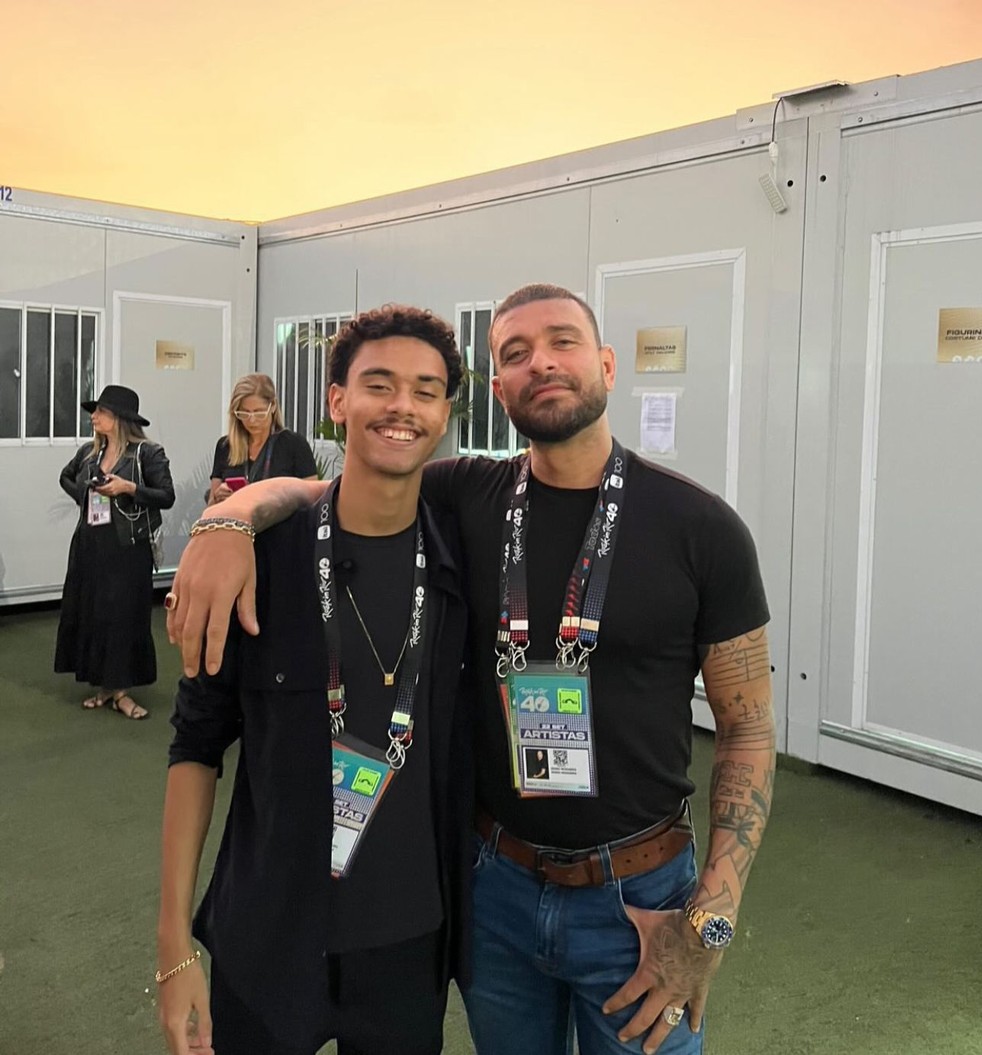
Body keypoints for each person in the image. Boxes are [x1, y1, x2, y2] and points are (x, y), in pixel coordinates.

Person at [166, 284, 776, 1055]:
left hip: (638, 902)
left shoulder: (703, 531)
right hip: (496, 896)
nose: (542, 362)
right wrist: (223, 521)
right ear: (496, 389)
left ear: (609, 365)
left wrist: (710, 922)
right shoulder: (467, 496)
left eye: (563, 341)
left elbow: (749, 733)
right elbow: (329, 488)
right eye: (514, 353)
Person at [156, 306, 472, 1055]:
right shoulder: (263, 563)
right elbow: (196, 746)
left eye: (426, 390)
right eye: (380, 384)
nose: (403, 406)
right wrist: (172, 948)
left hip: (406, 943)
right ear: (337, 401)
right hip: (265, 933)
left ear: (445, 412)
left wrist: (233, 510)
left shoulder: (467, 557)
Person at [55, 384, 175, 719]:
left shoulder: (147, 454)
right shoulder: (89, 453)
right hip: (90, 546)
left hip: (128, 549)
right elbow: (65, 477)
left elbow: (166, 496)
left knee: (123, 617)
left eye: (101, 412)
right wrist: (85, 494)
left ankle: (121, 690)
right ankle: (106, 686)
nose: (94, 417)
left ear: (120, 418)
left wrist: (128, 488)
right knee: (93, 614)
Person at [206, 372, 317, 506]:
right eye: (244, 413)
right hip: (236, 523)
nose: (252, 420)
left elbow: (313, 500)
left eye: (259, 412)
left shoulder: (294, 445)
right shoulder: (226, 446)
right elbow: (210, 508)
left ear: (273, 406)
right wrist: (218, 497)